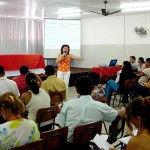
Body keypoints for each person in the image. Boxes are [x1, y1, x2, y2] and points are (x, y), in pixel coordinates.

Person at [58, 76, 125, 143]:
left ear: (77, 91)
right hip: (89, 141)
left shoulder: (67, 104)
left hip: (68, 144)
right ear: (93, 88)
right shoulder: (101, 106)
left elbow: (61, 126)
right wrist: (122, 109)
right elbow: (117, 115)